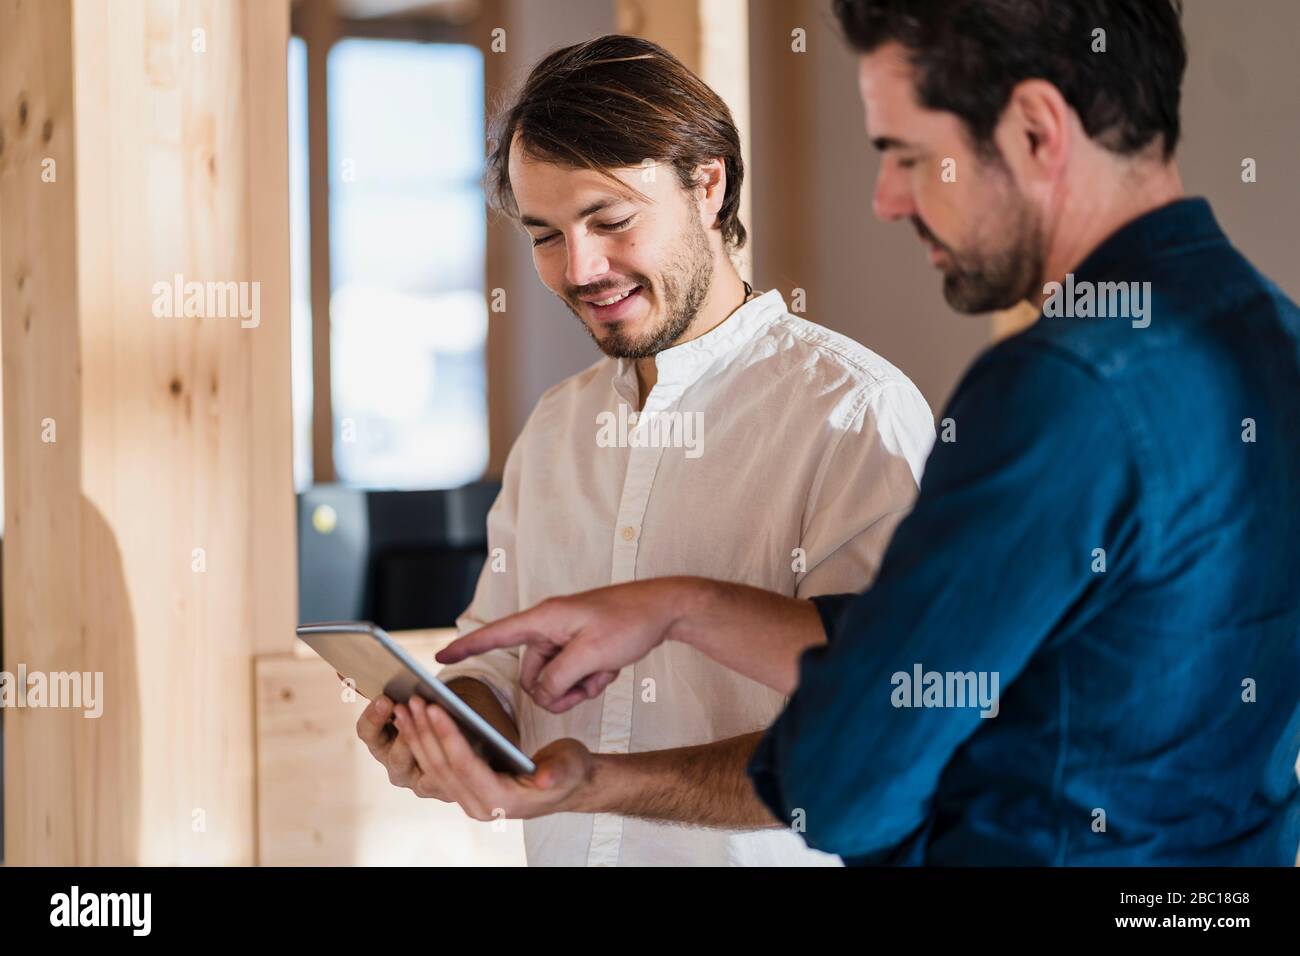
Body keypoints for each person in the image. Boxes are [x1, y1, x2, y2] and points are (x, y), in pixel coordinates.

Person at [434, 1, 1300, 865]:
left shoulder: (1056, 386)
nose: (886, 201)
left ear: (1038, 129)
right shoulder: (1275, 340)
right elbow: (951, 653)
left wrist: (603, 774)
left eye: (909, 156)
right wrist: (680, 607)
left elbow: (858, 775)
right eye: (547, 234)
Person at [356, 33, 935, 866]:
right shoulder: (556, 428)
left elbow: (882, 732)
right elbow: (504, 661)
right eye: (546, 233)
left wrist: (601, 778)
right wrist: (452, 725)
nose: (580, 267)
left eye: (610, 219)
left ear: (709, 185)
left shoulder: (854, 415)